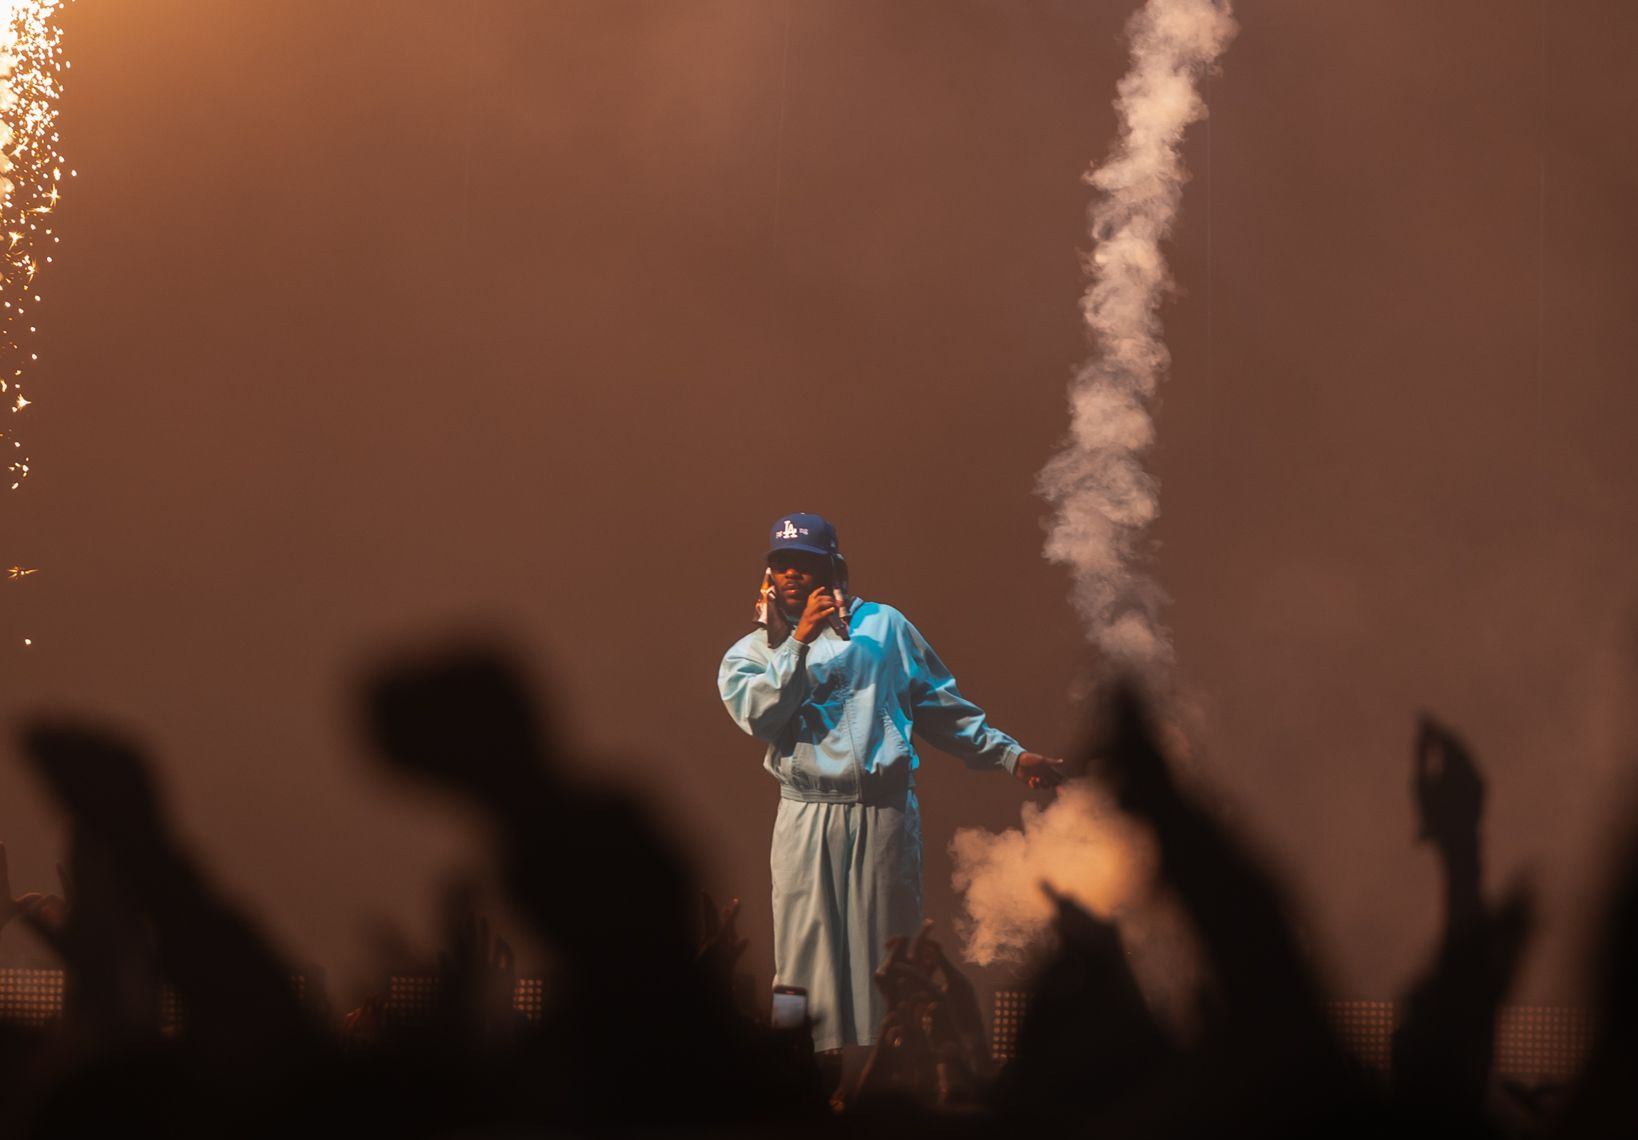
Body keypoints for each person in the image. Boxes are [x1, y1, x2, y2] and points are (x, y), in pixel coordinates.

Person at [718, 512, 1062, 1055]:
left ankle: (896, 1067)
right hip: (807, 814)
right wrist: (797, 644)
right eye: (782, 564)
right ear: (769, 574)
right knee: (800, 955)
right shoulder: (751, 653)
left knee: (887, 952)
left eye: (805, 563)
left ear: (832, 568)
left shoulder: (885, 626)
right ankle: (789, 1066)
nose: (792, 575)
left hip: (884, 813)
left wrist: (1009, 755)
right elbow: (760, 717)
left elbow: (938, 707)